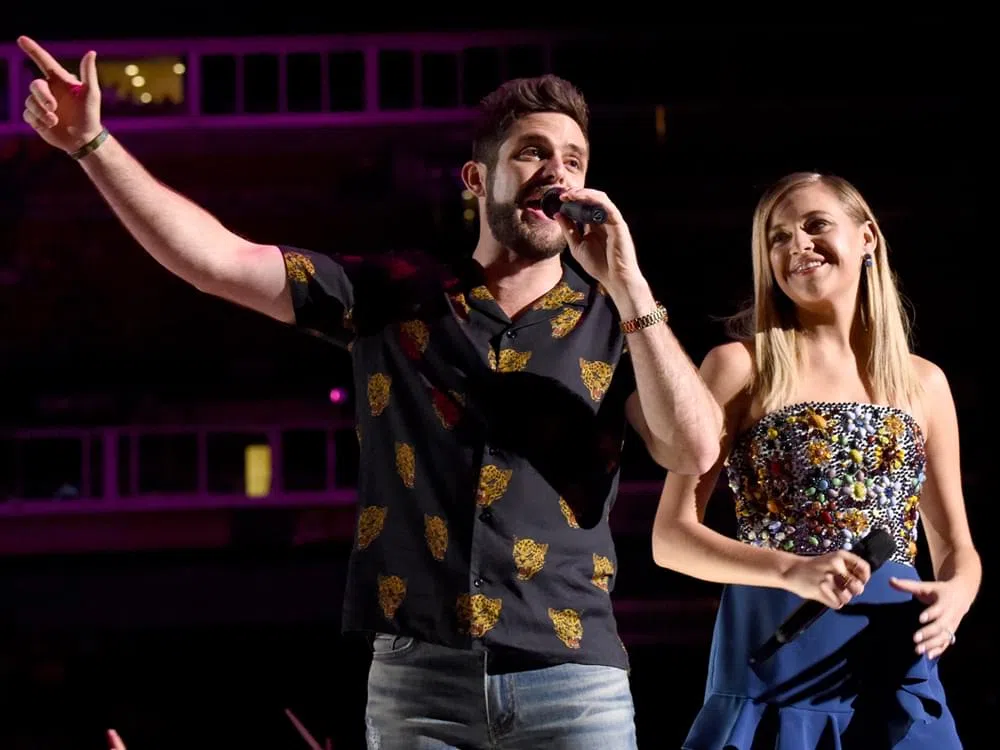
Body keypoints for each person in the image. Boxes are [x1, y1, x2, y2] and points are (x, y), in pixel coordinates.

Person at [18, 35, 724, 749]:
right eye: (532, 153)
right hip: (421, 684)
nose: (557, 173)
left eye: (573, 160)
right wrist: (93, 146)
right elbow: (218, 260)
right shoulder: (396, 295)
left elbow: (693, 449)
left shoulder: (617, 321)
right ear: (476, 179)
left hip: (573, 683)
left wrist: (630, 285)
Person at [652, 171, 981, 748]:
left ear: (867, 237)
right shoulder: (739, 368)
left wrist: (956, 597)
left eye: (815, 225)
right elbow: (670, 538)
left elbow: (957, 550)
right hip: (775, 650)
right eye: (777, 237)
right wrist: (789, 569)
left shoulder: (924, 383)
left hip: (892, 658)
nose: (797, 244)